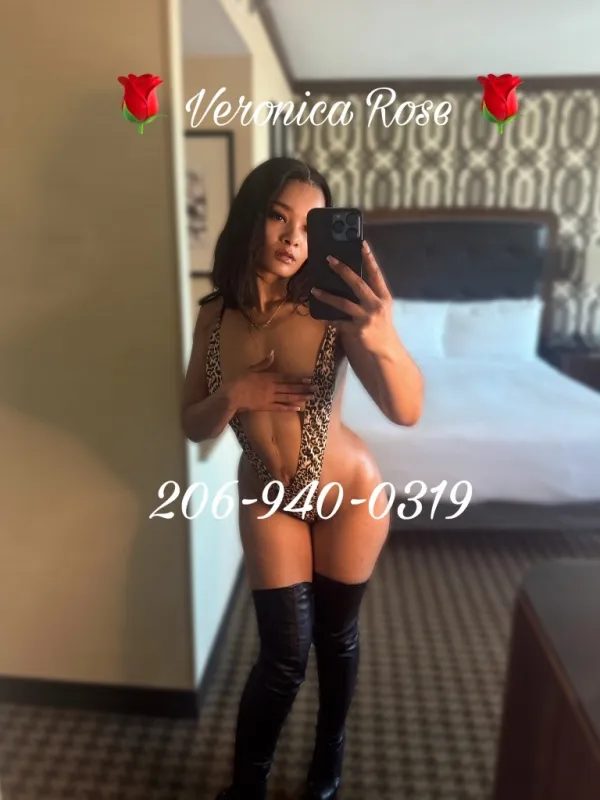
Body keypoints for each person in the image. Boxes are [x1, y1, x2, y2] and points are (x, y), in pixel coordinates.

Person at [181, 157, 424, 800]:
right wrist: (234, 394)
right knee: (283, 658)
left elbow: (406, 410)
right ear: (251, 218)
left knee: (335, 637)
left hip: (349, 497)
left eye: (308, 225)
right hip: (269, 497)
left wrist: (383, 334)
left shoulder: (332, 309)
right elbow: (192, 424)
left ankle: (328, 758)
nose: (293, 238)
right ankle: (247, 786)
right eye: (277, 216)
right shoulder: (214, 316)